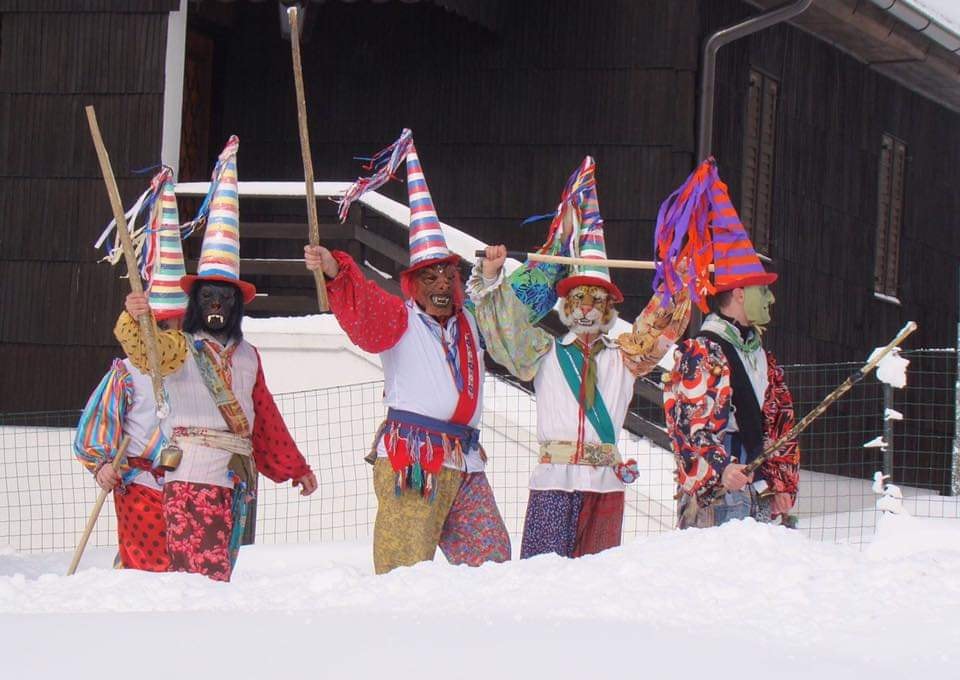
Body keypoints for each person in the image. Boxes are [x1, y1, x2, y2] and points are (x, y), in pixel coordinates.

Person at [306, 129, 510, 574]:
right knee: (403, 568)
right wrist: (336, 269)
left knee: (491, 559)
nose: (440, 285)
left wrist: (493, 274)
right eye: (429, 278)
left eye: (446, 277)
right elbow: (365, 309)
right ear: (411, 285)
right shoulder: (400, 320)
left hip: (466, 460)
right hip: (413, 460)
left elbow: (506, 310)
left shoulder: (470, 320)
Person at [115, 137, 317, 581]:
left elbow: (264, 417)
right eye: (208, 296)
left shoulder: (248, 357)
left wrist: (294, 468)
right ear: (194, 303)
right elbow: (147, 353)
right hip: (187, 476)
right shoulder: (179, 348)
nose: (217, 305)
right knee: (197, 578)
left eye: (225, 298)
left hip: (235, 481)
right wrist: (135, 320)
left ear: (237, 306)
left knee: (220, 572)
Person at [468, 157, 689, 558]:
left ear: (607, 310)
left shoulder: (625, 357)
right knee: (543, 576)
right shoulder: (545, 352)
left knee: (597, 582)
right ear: (567, 307)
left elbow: (656, 330)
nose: (587, 308)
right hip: (554, 481)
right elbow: (506, 329)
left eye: (596, 300)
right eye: (578, 299)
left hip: (606, 484)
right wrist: (491, 276)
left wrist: (680, 282)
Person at [659, 159, 799, 528]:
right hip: (719, 491)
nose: (769, 300)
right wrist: (721, 468)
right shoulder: (703, 351)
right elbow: (689, 420)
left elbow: (776, 426)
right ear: (738, 294)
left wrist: (780, 483)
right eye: (762, 291)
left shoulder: (760, 356)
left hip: (756, 488)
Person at [74, 166, 189, 571]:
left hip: (192, 484)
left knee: (187, 577)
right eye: (161, 324)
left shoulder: (198, 363)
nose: (169, 331)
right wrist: (102, 464)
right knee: (148, 572)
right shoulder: (126, 373)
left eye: (174, 323)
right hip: (140, 483)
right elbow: (99, 421)